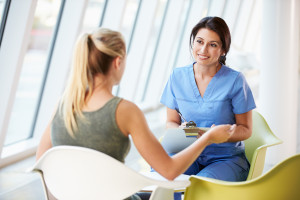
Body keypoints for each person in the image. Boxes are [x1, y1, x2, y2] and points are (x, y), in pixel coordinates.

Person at [36, 28, 236, 200]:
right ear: (117, 62)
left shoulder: (62, 104)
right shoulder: (124, 111)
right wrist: (208, 137)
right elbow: (169, 170)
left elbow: (44, 163)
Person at [160, 16, 256, 183]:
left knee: (202, 184)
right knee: (163, 175)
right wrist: (186, 131)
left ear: (223, 50)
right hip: (188, 151)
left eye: (213, 45)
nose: (203, 50)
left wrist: (219, 135)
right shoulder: (177, 76)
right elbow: (170, 123)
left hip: (225, 159)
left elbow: (246, 129)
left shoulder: (235, 80)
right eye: (199, 41)